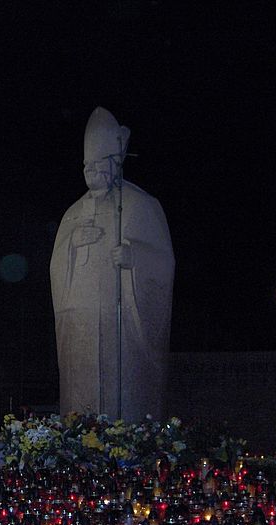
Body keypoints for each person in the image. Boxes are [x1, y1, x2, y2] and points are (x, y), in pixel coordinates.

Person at [50, 107, 175, 421]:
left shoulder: (139, 205)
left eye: (100, 164)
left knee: (125, 400)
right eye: (87, 165)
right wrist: (72, 247)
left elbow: (164, 262)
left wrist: (135, 258)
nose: (93, 171)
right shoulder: (72, 214)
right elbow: (55, 266)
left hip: (123, 329)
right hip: (81, 326)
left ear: (116, 162)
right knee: (81, 404)